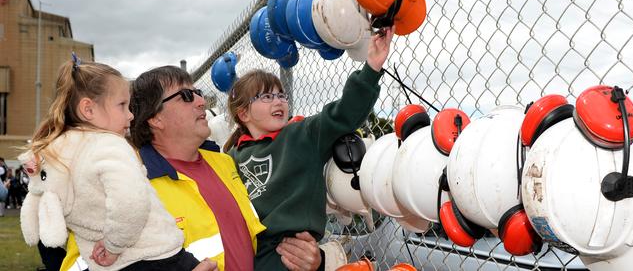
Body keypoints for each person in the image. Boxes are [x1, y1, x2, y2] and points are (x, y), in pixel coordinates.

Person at [20, 58, 216, 271]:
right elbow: (131, 202)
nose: (130, 115)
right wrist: (114, 245)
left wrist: (33, 232)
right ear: (89, 109)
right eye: (122, 105)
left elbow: (38, 195)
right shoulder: (110, 144)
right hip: (158, 256)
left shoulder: (55, 151)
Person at [224, 27, 394, 270]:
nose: (279, 101)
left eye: (281, 95)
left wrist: (371, 69)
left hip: (289, 255)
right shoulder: (231, 157)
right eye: (266, 97)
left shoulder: (302, 134)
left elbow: (344, 114)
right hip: (245, 254)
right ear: (243, 113)